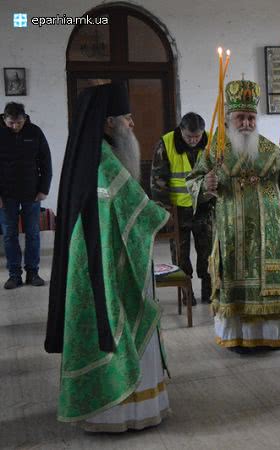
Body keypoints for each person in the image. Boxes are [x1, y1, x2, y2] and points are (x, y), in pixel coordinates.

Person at [45, 82, 170, 431]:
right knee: (120, 325)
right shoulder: (107, 163)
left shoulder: (86, 157)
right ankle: (127, 409)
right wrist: (159, 214)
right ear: (108, 123)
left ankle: (105, 410)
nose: (132, 125)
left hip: (90, 265)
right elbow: (140, 214)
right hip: (109, 267)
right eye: (127, 119)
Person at [187, 79, 280, 353]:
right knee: (235, 282)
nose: (246, 123)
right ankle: (238, 337)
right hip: (231, 232)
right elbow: (194, 180)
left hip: (267, 233)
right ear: (228, 119)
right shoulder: (215, 151)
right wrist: (205, 184)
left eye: (250, 117)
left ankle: (271, 337)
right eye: (240, 118)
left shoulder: (271, 150)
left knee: (265, 283)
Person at [151, 112, 213, 303]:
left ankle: (208, 290)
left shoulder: (211, 141)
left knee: (208, 252)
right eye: (189, 137)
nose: (194, 140)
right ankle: (186, 293)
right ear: (181, 131)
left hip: (203, 206)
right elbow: (157, 182)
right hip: (177, 210)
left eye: (197, 136)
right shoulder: (166, 143)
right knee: (180, 254)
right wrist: (165, 212)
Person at [0, 102, 52, 289]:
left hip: (32, 192)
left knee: (32, 233)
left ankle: (33, 273)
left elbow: (46, 161)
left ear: (25, 118)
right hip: (6, 194)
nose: (15, 126)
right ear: (4, 119)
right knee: (9, 235)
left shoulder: (35, 132)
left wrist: (44, 189)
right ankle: (14, 275)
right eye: (11, 123)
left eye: (19, 122)